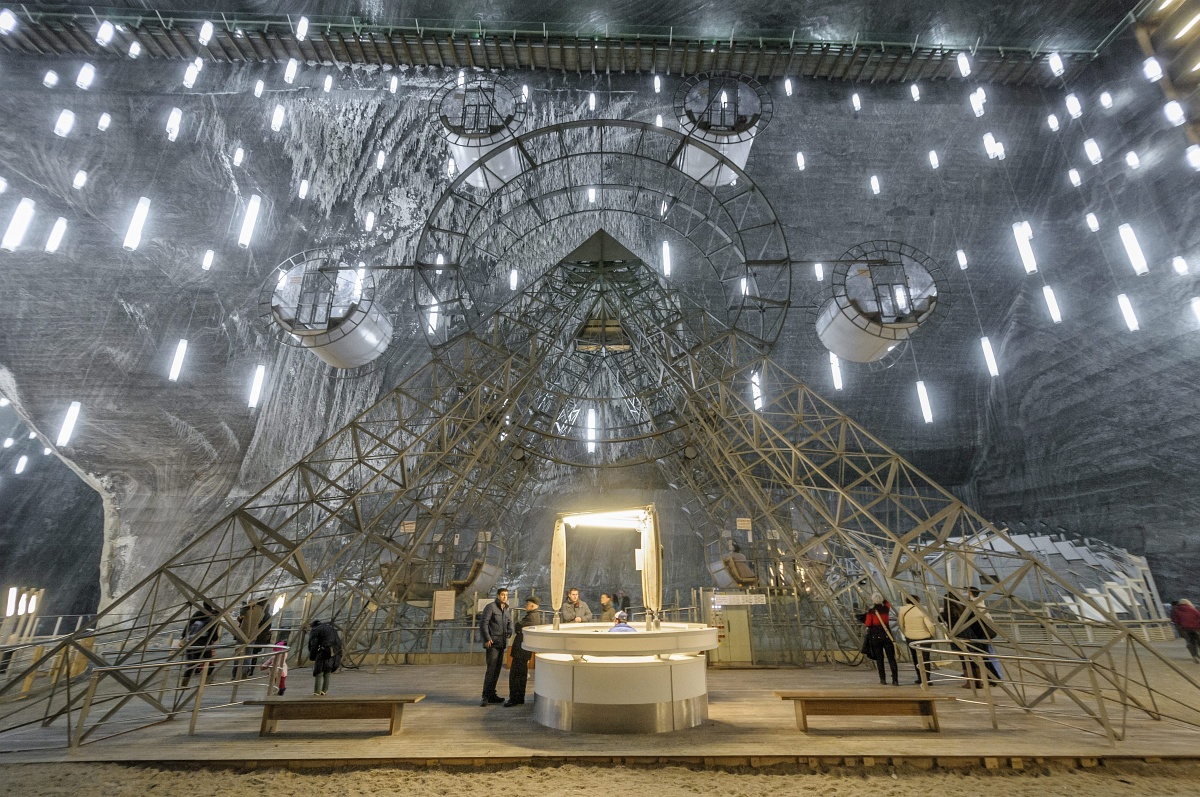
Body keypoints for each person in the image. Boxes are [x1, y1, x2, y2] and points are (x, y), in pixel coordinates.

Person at [959, 587, 1002, 688]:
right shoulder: (980, 604)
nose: (965, 594)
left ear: (971, 593)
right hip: (985, 633)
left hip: (981, 634)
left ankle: (994, 677)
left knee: (986, 656)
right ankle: (995, 676)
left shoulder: (973, 605)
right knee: (989, 655)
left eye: (966, 592)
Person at [479, 587, 512, 706]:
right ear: (498, 595)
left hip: (501, 643)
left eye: (506, 595)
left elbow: (509, 623)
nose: (504, 597)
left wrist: (510, 630)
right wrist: (487, 638)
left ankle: (492, 694)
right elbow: (483, 623)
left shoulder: (506, 610)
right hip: (492, 644)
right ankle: (485, 696)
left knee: (497, 670)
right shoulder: (491, 607)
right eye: (503, 594)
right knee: (491, 670)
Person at [505, 596, 539, 706]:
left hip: (521, 650)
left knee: (516, 674)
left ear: (533, 605)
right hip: (524, 650)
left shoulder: (530, 618)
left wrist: (517, 625)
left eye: (527, 604)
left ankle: (514, 698)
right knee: (521, 674)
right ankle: (519, 697)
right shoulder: (534, 616)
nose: (525, 606)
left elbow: (518, 626)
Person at [860, 593, 898, 685]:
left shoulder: (871, 611)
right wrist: (881, 599)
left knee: (879, 659)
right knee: (891, 658)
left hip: (875, 637)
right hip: (887, 636)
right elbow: (887, 602)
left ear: (873, 600)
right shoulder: (886, 609)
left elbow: (868, 624)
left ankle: (883, 679)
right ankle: (895, 680)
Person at [897, 594, 936, 685]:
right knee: (925, 658)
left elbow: (901, 624)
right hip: (924, 637)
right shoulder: (922, 609)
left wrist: (906, 633)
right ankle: (926, 679)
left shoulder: (903, 610)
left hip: (911, 637)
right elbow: (929, 625)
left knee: (915, 657)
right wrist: (931, 634)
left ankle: (919, 677)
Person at [181, 602, 220, 688]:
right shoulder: (213, 620)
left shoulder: (198, 614)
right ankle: (206, 681)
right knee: (209, 664)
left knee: (191, 664)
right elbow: (214, 636)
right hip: (203, 644)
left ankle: (183, 684)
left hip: (191, 641)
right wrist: (214, 639)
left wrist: (183, 636)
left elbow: (189, 624)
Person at [307, 619, 341, 696]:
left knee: (319, 672)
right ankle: (324, 691)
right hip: (334, 653)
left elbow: (314, 645)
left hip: (323, 652)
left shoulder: (315, 630)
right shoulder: (331, 629)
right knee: (327, 672)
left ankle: (317, 691)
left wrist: (312, 656)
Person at [1170, 598, 1200, 663]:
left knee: (1190, 642)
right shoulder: (1192, 609)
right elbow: (1198, 616)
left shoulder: (1175, 610)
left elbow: (1175, 620)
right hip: (1195, 628)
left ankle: (1195, 655)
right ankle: (1198, 655)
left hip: (1184, 629)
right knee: (1197, 640)